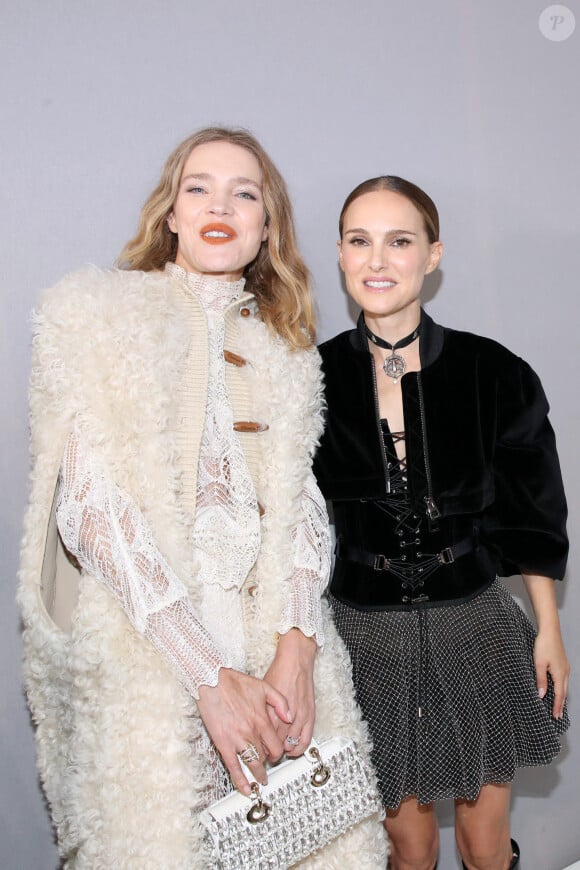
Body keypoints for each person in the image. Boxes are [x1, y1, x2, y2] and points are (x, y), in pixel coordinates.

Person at [18, 128, 387, 869]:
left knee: (310, 849)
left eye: (244, 193)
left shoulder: (286, 348)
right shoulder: (98, 318)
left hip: (279, 647)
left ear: (266, 226)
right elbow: (91, 508)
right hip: (151, 653)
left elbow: (302, 506)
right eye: (200, 188)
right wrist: (210, 676)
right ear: (173, 214)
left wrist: (296, 648)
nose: (221, 205)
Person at [313, 175, 570, 870]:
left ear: (433, 255)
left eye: (400, 241)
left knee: (486, 845)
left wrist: (548, 628)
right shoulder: (309, 377)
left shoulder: (495, 372)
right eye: (360, 241)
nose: (378, 260)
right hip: (366, 642)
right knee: (409, 846)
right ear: (340, 254)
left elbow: (533, 512)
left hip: (476, 628)